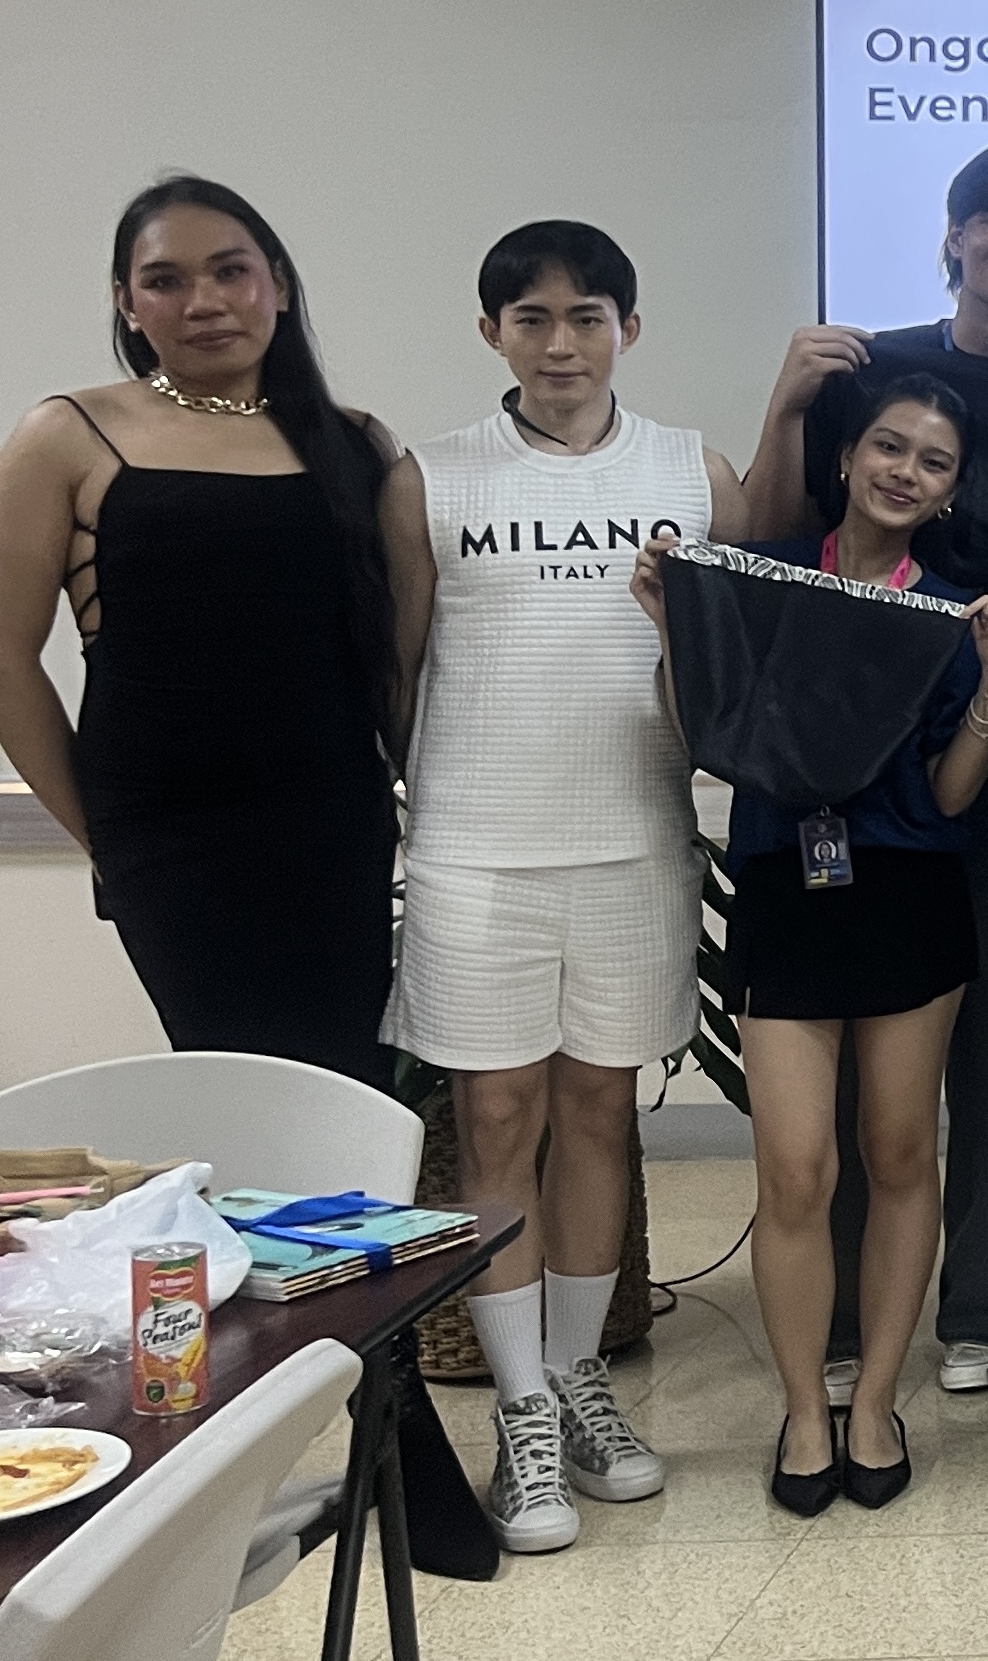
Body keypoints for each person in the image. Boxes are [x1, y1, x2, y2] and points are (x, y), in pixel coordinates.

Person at [744, 140, 988, 1401]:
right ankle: (857, 1319)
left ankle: (985, 1314)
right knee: (865, 1065)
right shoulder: (869, 380)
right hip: (847, 784)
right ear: (955, 233)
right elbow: (765, 555)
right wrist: (783, 406)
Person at [384, 221, 737, 1553]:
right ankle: (521, 1408)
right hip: (477, 853)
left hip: (633, 846)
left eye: (587, 317)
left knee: (600, 1114)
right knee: (496, 1119)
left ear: (627, 331)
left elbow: (723, 682)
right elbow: (401, 674)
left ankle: (582, 1377)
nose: (561, 344)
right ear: (490, 336)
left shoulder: (693, 475)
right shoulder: (431, 479)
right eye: (529, 320)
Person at [638, 375, 988, 1519]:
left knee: (901, 1154)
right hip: (784, 894)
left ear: (952, 490)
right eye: (889, 448)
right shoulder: (765, 580)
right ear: (850, 456)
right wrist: (675, 630)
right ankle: (806, 1407)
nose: (906, 472)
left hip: (909, 899)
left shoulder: (954, 615)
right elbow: (703, 742)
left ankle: (875, 1404)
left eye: (934, 461)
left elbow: (955, 798)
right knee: (797, 1170)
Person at [0, 177, 406, 1086]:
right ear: (126, 302)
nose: (203, 302)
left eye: (230, 271)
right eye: (164, 281)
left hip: (336, 825)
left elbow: (396, 652)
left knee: (343, 1087)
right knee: (240, 1084)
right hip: (170, 839)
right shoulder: (70, 434)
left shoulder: (356, 443)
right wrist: (104, 836)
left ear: (276, 283)